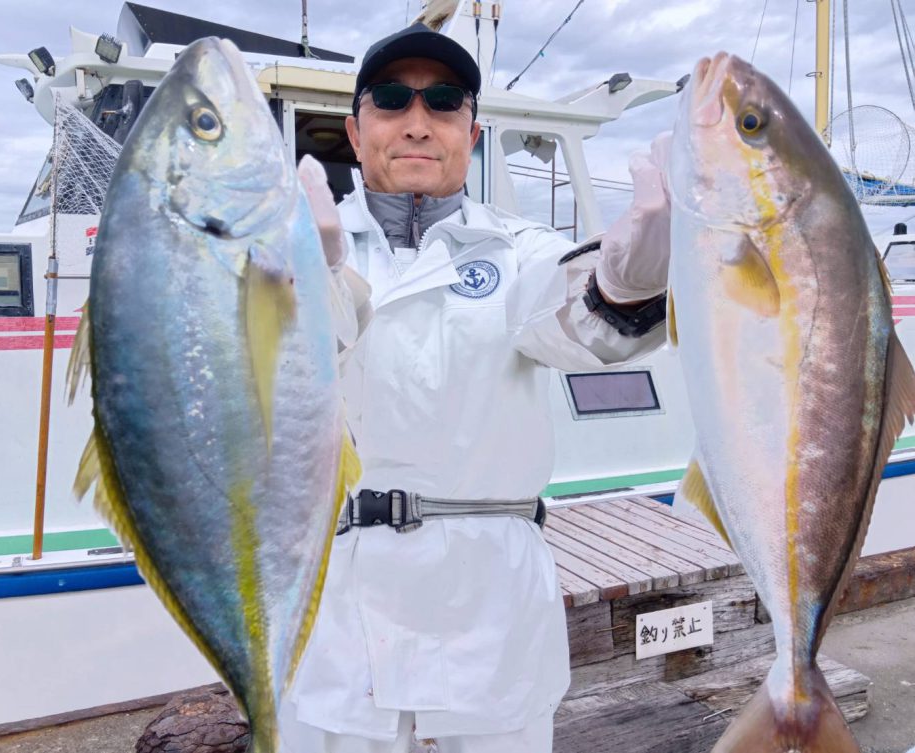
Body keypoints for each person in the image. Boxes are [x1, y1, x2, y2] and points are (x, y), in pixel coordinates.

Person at [282, 22, 671, 753]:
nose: (418, 123)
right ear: (356, 130)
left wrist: (627, 284)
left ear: (473, 129)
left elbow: (574, 317)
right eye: (393, 100)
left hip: (486, 626)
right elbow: (270, 376)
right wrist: (309, 277)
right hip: (334, 619)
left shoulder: (520, 249)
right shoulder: (290, 236)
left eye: (444, 101)